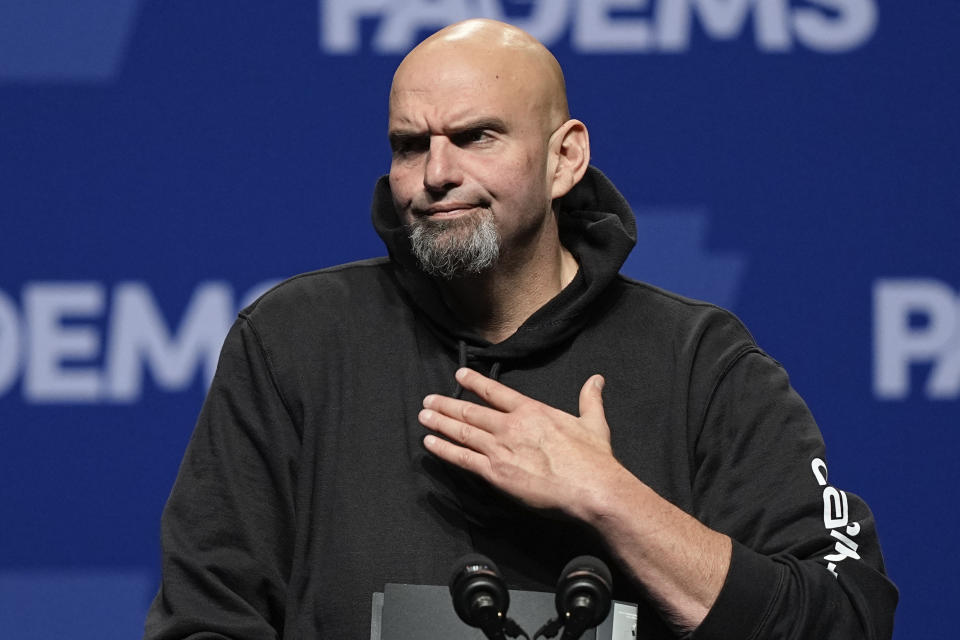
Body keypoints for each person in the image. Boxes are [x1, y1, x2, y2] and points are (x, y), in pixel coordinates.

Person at [144, 18, 897, 639]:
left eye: (476, 137)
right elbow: (205, 621)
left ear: (565, 158)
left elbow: (845, 619)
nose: (435, 173)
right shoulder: (294, 341)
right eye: (411, 144)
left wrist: (610, 498)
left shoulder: (699, 361)